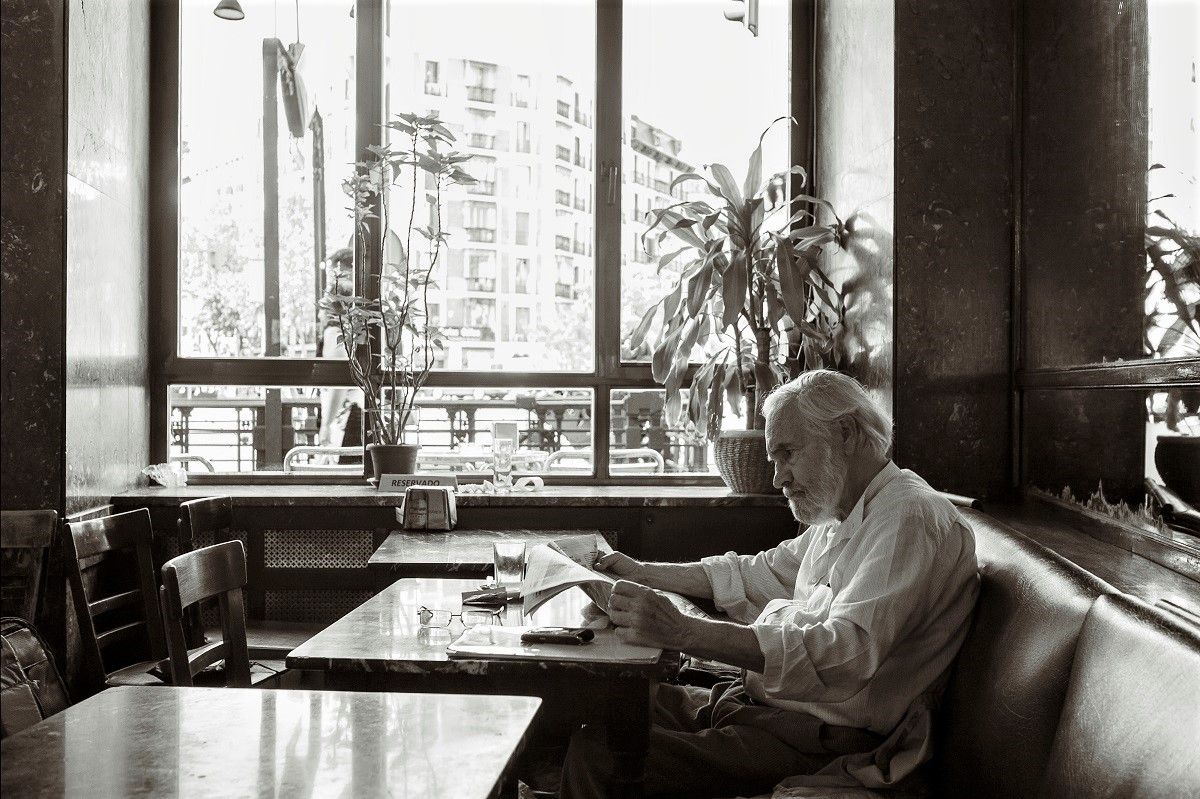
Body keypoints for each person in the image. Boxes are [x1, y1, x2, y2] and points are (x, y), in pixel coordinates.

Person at [559, 370, 980, 799]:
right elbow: (754, 573)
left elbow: (844, 654)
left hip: (822, 741)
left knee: (600, 756)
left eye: (788, 454)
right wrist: (639, 572)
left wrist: (684, 631)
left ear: (847, 434)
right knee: (590, 708)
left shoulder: (908, 518)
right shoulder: (843, 512)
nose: (778, 478)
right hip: (766, 710)